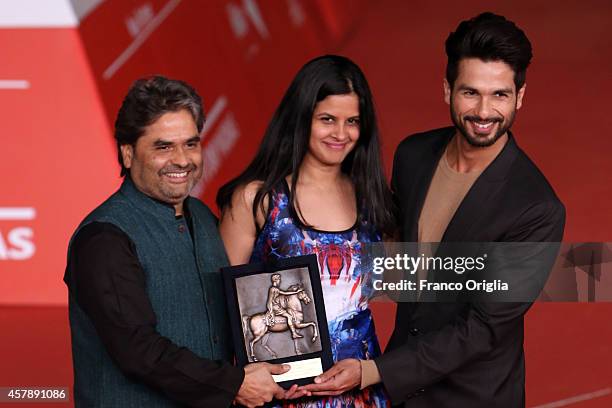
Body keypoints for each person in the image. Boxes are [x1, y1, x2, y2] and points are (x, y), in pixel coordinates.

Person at [304, 12, 566, 408]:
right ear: (447, 90)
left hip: (473, 396)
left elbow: (483, 329)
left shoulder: (536, 209)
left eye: (500, 95)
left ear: (520, 97)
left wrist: (375, 370)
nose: (483, 112)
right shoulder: (414, 156)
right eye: (470, 92)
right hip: (403, 390)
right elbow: (394, 262)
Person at [64, 76, 291, 408]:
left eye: (191, 143)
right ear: (127, 154)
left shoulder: (200, 215)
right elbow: (138, 350)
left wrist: (292, 365)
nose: (183, 160)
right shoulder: (104, 238)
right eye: (163, 146)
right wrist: (235, 385)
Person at [217, 55, 394, 407]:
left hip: (361, 395)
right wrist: (234, 383)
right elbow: (216, 308)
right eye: (327, 119)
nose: (341, 134)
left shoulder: (374, 201)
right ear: (302, 119)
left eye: (353, 122)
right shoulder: (259, 199)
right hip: (280, 394)